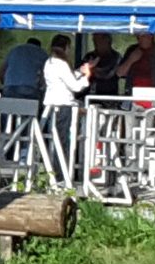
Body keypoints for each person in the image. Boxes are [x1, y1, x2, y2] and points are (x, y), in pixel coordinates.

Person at [43, 34, 92, 173]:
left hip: (51, 105)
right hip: (63, 105)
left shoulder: (49, 62)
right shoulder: (62, 64)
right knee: (63, 141)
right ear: (66, 47)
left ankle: (53, 171)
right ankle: (62, 173)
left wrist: (79, 72)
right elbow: (75, 86)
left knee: (54, 140)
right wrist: (87, 76)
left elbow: (65, 78)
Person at [79, 32, 121, 97]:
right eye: (94, 40)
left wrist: (93, 69)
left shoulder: (116, 57)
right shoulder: (89, 56)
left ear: (108, 40)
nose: (96, 43)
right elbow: (80, 73)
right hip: (89, 96)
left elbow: (114, 74)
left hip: (110, 97)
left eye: (99, 40)